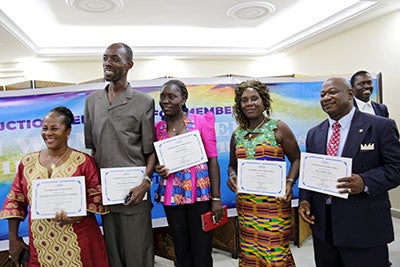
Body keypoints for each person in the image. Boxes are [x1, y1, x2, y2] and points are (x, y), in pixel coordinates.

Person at [299, 77, 400, 267]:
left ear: (350, 94)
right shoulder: (315, 133)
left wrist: (365, 181)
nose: (326, 98)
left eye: (332, 92)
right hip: (325, 227)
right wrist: (305, 199)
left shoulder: (380, 126)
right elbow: (309, 172)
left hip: (364, 226)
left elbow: (396, 168)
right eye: (322, 95)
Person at [0, 106, 109, 266]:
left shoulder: (83, 162)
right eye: (45, 128)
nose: (48, 133)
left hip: (80, 243)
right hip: (41, 245)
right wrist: (13, 238)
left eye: (54, 128)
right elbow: (15, 201)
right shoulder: (28, 163)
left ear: (68, 131)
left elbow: (97, 198)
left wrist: (78, 215)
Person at [84, 43, 155, 267]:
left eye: (115, 59)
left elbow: (150, 151)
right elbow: (93, 149)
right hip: (106, 194)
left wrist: (145, 183)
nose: (107, 63)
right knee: (113, 256)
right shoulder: (92, 102)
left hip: (134, 194)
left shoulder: (144, 102)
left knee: (137, 255)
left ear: (129, 65)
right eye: (105, 58)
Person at [227, 80, 300, 267]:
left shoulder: (278, 128)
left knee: (275, 254)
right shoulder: (238, 135)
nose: (249, 103)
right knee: (250, 253)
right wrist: (232, 177)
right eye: (244, 100)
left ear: (264, 101)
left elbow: (297, 159)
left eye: (254, 98)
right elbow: (232, 166)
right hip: (247, 206)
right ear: (239, 105)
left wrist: (290, 182)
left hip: (275, 205)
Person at [154, 79, 224, 267]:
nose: (165, 101)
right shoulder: (159, 128)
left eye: (171, 96)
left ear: (183, 98)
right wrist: (157, 169)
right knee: (181, 250)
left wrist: (216, 198)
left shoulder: (201, 122)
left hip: (200, 196)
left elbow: (213, 159)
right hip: (173, 198)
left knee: (201, 250)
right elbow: (157, 161)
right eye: (162, 97)